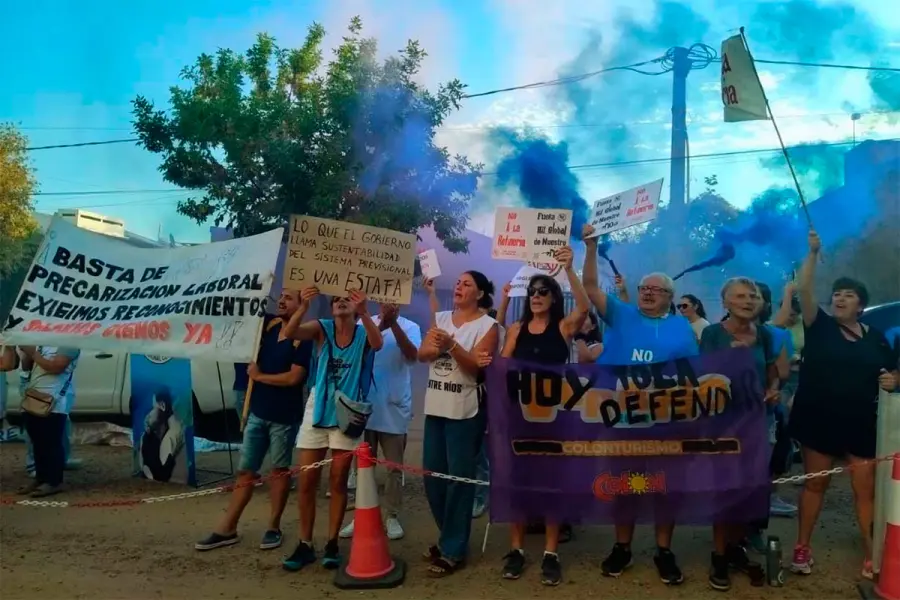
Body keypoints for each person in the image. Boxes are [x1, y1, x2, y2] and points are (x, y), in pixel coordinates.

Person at [581, 223, 698, 586]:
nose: (647, 293)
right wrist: (591, 248)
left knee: (664, 486)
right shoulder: (622, 314)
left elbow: (692, 375)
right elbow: (589, 288)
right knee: (626, 485)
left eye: (655, 290)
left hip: (666, 423)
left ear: (669, 296)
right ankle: (622, 546)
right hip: (624, 421)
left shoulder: (682, 328)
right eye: (644, 288)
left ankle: (663, 549)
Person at [789, 230, 899, 580]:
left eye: (847, 295)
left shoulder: (877, 338)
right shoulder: (817, 326)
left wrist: (894, 380)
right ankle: (802, 548)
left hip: (861, 423)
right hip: (819, 421)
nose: (839, 299)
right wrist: (812, 253)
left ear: (861, 305)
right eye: (836, 294)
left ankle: (873, 554)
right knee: (815, 485)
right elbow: (804, 290)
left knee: (864, 490)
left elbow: (894, 369)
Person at [494, 246, 589, 586]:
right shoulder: (517, 330)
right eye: (532, 292)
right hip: (519, 418)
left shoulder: (564, 328)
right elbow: (503, 365)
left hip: (553, 419)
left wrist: (570, 269)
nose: (535, 296)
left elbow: (585, 307)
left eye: (542, 292)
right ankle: (517, 550)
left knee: (551, 485)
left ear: (553, 297)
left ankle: (551, 552)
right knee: (517, 485)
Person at [195, 289, 313, 552]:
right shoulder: (268, 326)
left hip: (284, 416)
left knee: (279, 471)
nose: (281, 300)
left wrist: (259, 377)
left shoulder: (302, 339)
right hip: (257, 414)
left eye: (288, 298)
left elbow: (294, 378)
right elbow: (245, 307)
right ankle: (227, 527)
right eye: (280, 296)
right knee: (246, 471)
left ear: (301, 305)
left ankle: (273, 527)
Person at [281, 289, 383, 572]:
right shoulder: (322, 328)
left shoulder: (363, 332)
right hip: (317, 409)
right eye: (336, 298)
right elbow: (291, 332)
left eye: (346, 298)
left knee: (337, 481)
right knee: (306, 481)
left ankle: (332, 543)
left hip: (347, 413)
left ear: (356, 305)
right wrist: (302, 307)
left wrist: (364, 312)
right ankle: (304, 543)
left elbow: (378, 344)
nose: (340, 301)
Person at [700, 277, 780, 591]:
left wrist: (773, 390)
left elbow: (773, 372)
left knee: (746, 491)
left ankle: (736, 549)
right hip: (722, 426)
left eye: (753, 296)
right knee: (724, 491)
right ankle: (719, 555)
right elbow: (703, 377)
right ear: (726, 303)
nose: (748, 301)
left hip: (755, 425)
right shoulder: (712, 334)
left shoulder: (766, 335)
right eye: (740, 296)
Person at [418, 271, 498, 577]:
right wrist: (442, 346)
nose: (459, 287)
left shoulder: (489, 326)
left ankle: (453, 549)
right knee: (432, 477)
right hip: (436, 407)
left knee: (459, 480)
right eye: (458, 283)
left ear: (479, 294)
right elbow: (423, 353)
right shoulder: (440, 317)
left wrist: (451, 346)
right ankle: (449, 537)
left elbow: (476, 369)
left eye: (467, 284)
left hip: (466, 411)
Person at [339, 303, 421, 541]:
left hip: (394, 407)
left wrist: (393, 323)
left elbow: (412, 354)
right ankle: (361, 515)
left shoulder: (410, 326)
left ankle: (392, 515)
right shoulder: (363, 322)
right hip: (364, 406)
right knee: (363, 467)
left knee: (394, 468)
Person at [17, 345, 80, 498]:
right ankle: (41, 478)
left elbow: (56, 367)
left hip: (55, 400)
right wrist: (26, 354)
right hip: (35, 395)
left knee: (50, 441)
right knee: (37, 441)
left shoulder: (69, 344)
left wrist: (33, 352)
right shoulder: (42, 341)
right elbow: (28, 367)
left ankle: (54, 481)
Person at [139, 391, 186, 482]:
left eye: (152, 408)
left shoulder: (171, 436)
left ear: (162, 406)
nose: (148, 415)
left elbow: (161, 474)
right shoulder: (152, 437)